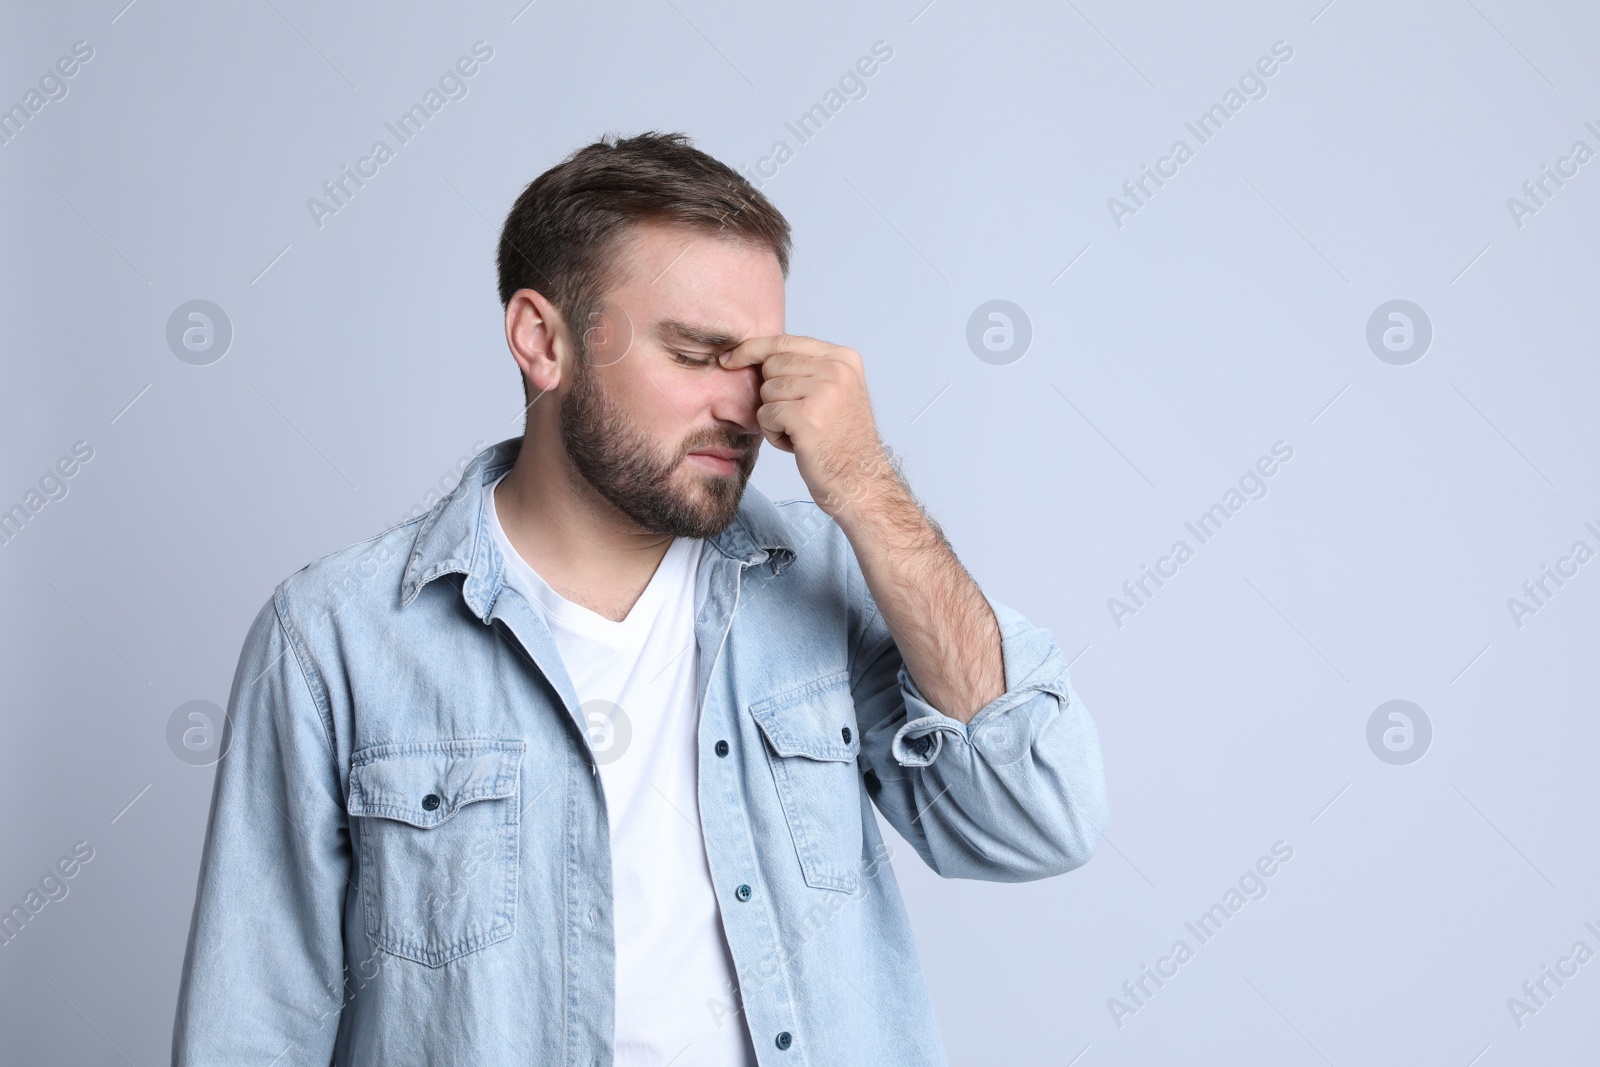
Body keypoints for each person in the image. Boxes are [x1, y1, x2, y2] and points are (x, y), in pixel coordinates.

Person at [172, 131, 1108, 1067]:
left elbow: (1038, 813)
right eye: (697, 355)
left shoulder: (825, 574)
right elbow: (251, 1024)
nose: (745, 411)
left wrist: (866, 486)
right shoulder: (337, 637)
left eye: (760, 367)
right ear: (543, 341)